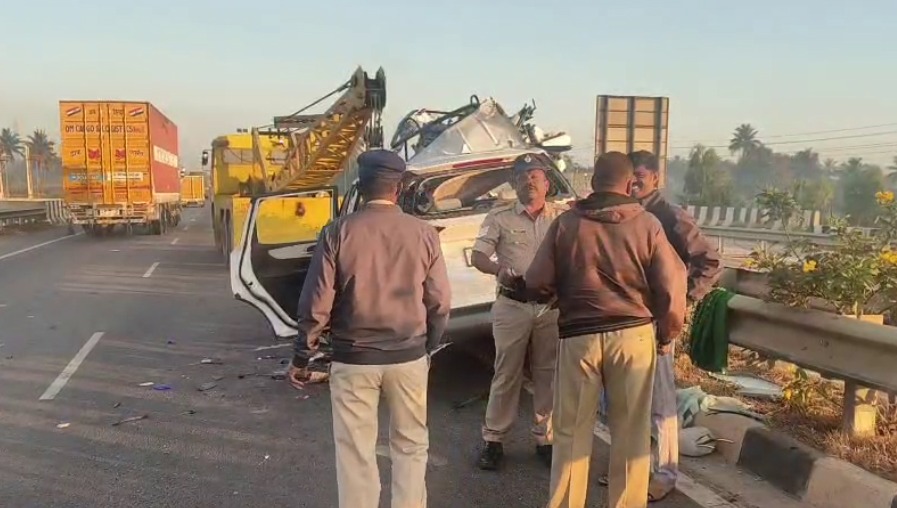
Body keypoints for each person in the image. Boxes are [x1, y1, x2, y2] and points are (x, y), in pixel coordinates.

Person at [287, 149, 452, 508]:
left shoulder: (337, 232)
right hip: (408, 356)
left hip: (353, 359)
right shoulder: (424, 234)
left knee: (356, 452)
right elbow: (440, 301)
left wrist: (302, 355)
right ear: (399, 187)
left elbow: (316, 303)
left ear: (360, 188)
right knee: (411, 446)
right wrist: (427, 346)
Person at [526, 152, 687, 508]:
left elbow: (536, 281)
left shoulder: (567, 224)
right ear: (629, 184)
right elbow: (673, 286)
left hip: (579, 336)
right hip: (634, 337)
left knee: (570, 434)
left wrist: (557, 292)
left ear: (592, 182)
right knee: (630, 436)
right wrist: (666, 334)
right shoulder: (647, 225)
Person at [621, 149, 723, 501]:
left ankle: (665, 474)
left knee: (661, 402)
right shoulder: (623, 213)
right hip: (625, 320)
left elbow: (709, 261)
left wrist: (682, 300)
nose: (634, 183)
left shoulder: (670, 216)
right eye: (629, 176)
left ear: (656, 178)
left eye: (640, 176)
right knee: (627, 401)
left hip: (658, 322)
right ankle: (633, 469)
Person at [471, 153, 567, 470]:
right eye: (523, 177)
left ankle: (546, 439)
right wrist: (498, 270)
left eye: (535, 176)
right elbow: (478, 256)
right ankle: (494, 440)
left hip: (551, 307)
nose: (529, 182)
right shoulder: (499, 217)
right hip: (512, 305)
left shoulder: (562, 218)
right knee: (506, 373)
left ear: (547, 184)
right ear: (514, 184)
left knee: (547, 373)